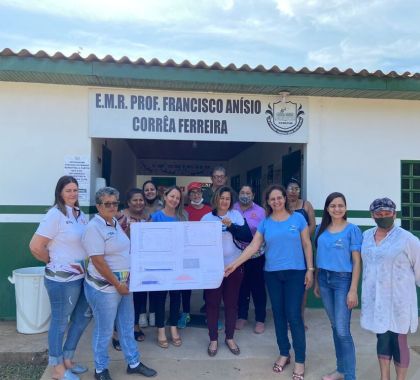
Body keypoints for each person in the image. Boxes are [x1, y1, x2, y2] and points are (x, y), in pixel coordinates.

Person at [225, 184, 314, 380]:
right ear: (268, 202)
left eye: (279, 198)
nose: (276, 201)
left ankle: (300, 360)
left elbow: (307, 244)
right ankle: (284, 354)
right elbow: (253, 246)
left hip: (296, 273)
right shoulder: (265, 222)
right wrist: (234, 264)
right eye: (272, 199)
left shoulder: (298, 218)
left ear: (284, 198)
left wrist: (310, 269)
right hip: (272, 274)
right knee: (279, 315)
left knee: (294, 316)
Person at [82, 187, 157, 380]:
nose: (112, 206)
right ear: (99, 206)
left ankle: (133, 362)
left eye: (115, 203)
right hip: (105, 287)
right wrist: (117, 284)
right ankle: (100, 370)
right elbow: (98, 261)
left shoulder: (114, 222)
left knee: (126, 325)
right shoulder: (94, 227)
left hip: (123, 285)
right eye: (108, 203)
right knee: (104, 330)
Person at [29, 176, 91, 380]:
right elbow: (35, 246)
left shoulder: (80, 214)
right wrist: (52, 261)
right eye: (68, 190)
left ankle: (68, 359)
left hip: (82, 277)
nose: (73, 194)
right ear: (60, 193)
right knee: (60, 321)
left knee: (82, 318)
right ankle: (57, 368)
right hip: (61, 280)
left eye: (75, 190)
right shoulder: (54, 215)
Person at [361, 197, 420, 380]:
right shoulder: (366, 237)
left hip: (399, 300)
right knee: (382, 338)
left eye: (388, 213)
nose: (383, 217)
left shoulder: (408, 240)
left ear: (394, 214)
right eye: (379, 214)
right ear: (372, 215)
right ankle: (384, 377)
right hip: (376, 299)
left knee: (398, 340)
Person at [313, 192, 362, 380]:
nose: (337, 209)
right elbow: (320, 258)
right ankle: (340, 370)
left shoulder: (352, 230)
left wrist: (353, 290)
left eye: (340, 205)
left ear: (346, 208)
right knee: (335, 327)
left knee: (343, 331)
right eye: (333, 206)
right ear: (327, 208)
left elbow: (357, 262)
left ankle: (350, 375)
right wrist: (317, 281)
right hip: (324, 280)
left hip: (343, 281)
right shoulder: (320, 229)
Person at [201, 186, 252, 357]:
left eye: (228, 199)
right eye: (222, 198)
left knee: (231, 304)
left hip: (233, 267)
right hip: (212, 269)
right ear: (216, 199)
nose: (225, 201)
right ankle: (213, 339)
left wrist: (231, 227)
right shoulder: (206, 218)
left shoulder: (236, 215)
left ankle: (229, 337)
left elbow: (247, 236)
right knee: (212, 304)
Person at [150, 186, 188, 348]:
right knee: (159, 297)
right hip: (159, 264)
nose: (174, 200)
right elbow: (148, 240)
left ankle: (173, 328)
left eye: (178, 198)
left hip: (177, 264)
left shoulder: (182, 217)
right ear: (165, 197)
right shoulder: (155, 217)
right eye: (172, 196)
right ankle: (160, 330)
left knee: (175, 296)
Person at [114, 188, 149, 348]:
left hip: (141, 263)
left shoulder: (148, 217)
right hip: (123, 263)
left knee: (140, 296)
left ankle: (135, 326)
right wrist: (128, 229)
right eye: (135, 200)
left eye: (141, 200)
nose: (138, 203)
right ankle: (116, 332)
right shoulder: (119, 216)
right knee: (121, 297)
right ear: (128, 202)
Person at [233, 184, 267, 334]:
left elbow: (265, 233)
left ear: (253, 195)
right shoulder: (233, 209)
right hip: (238, 254)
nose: (244, 195)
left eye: (248, 193)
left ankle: (260, 319)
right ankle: (242, 315)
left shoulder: (260, 212)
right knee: (241, 286)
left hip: (256, 255)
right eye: (242, 192)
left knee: (258, 287)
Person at [177, 182, 212, 329]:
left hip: (206, 254)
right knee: (186, 283)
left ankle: (211, 315)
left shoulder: (210, 210)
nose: (196, 195)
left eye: (198, 192)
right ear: (189, 195)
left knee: (209, 285)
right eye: (193, 193)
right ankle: (185, 313)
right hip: (189, 254)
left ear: (202, 194)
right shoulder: (184, 211)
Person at [286, 178, 316, 329]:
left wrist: (300, 237)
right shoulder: (282, 204)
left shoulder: (306, 205)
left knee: (302, 285)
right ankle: (287, 318)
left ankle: (300, 318)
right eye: (291, 188)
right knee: (286, 284)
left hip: (304, 249)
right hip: (286, 251)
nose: (293, 191)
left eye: (296, 189)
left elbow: (312, 225)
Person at [139, 180, 162, 328]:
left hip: (158, 251)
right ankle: (141, 314)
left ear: (156, 191)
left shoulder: (162, 206)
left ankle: (153, 313)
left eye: (152, 189)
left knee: (155, 283)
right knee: (142, 283)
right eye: (146, 189)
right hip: (141, 251)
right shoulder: (139, 205)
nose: (149, 192)